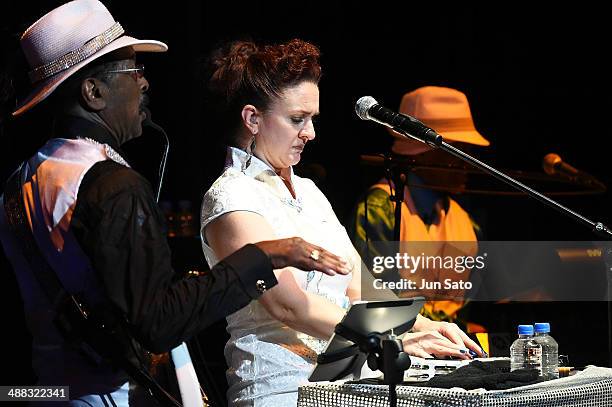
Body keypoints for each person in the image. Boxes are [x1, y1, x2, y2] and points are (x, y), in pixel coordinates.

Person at [0, 1, 349, 405]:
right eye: (134, 71)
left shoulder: (21, 180)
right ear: (93, 92)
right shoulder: (111, 185)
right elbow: (158, 322)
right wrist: (263, 256)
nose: (145, 84)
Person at [200, 41, 486, 406]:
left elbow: (361, 287)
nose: (311, 133)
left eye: (313, 119)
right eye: (296, 119)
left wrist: (426, 325)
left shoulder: (308, 191)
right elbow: (290, 306)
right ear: (253, 119)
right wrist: (391, 340)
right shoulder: (231, 198)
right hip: (282, 389)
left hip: (347, 381)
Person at [351, 85, 490, 325]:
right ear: (422, 152)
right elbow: (372, 296)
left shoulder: (465, 221)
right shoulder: (379, 210)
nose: (468, 162)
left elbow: (464, 298)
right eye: (459, 151)